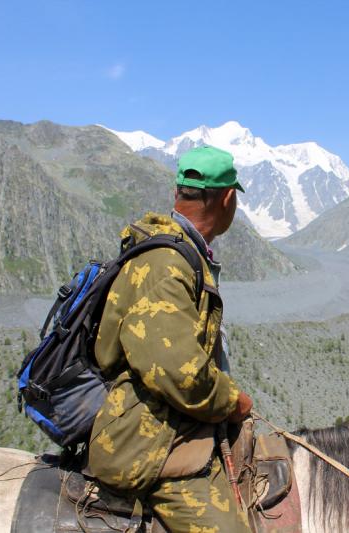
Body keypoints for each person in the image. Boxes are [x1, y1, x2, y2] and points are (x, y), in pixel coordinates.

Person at [88, 145, 253, 532]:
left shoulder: (175, 250)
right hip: (146, 439)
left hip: (160, 420)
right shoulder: (167, 263)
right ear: (227, 198)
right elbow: (177, 371)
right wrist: (233, 401)